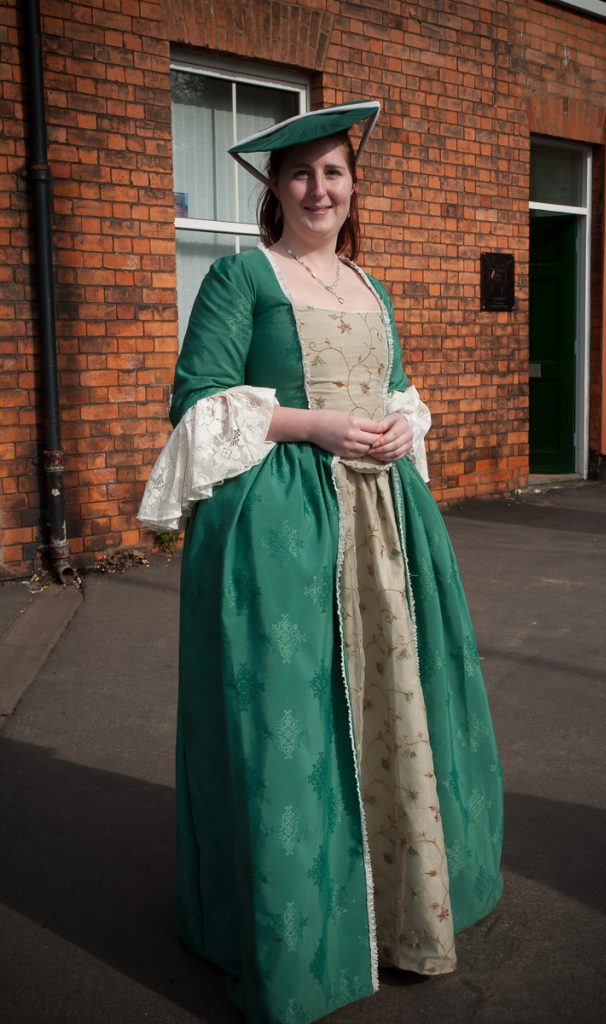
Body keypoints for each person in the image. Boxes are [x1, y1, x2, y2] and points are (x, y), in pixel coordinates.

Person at [138, 100, 503, 1024]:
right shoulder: (242, 277)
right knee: (291, 712)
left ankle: (397, 905)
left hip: (384, 521)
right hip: (282, 525)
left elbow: (397, 389)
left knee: (391, 699)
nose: (318, 188)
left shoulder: (371, 286)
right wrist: (318, 425)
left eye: (333, 171)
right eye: (299, 172)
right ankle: (303, 932)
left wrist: (397, 425)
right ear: (275, 186)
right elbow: (199, 401)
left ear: (352, 183)